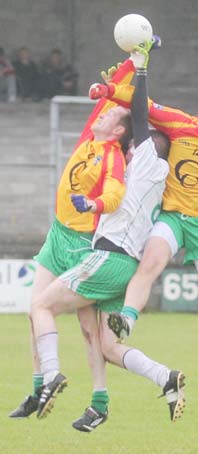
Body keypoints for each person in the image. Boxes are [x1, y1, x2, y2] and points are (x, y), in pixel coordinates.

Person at [9, 41, 186, 432]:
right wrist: (122, 72)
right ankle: (160, 379)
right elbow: (125, 116)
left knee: (41, 306)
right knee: (106, 345)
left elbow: (137, 118)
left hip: (105, 255)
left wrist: (141, 67)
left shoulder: (139, 162)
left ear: (141, 145)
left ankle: (50, 377)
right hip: (114, 259)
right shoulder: (147, 171)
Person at [90, 58, 198, 387]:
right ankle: (127, 320)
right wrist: (108, 91)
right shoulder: (179, 124)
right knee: (150, 263)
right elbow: (143, 104)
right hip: (173, 216)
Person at [9, 60, 133, 421]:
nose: (102, 115)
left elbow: (115, 194)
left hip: (81, 242)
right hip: (57, 235)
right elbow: (109, 101)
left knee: (87, 328)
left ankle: (99, 399)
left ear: (119, 130)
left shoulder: (112, 158)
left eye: (111, 116)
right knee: (35, 313)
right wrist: (130, 62)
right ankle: (38, 389)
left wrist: (93, 203)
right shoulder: (91, 138)